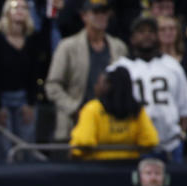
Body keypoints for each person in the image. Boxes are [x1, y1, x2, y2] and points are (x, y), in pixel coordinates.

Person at [109, 15, 187, 163]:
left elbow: (185, 108)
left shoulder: (172, 66)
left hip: (169, 145)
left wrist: (181, 135)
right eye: (141, 32)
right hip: (133, 147)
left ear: (157, 36)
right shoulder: (119, 68)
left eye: (151, 31)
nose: (147, 36)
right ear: (132, 38)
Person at [45, 0, 126, 142]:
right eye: (96, 12)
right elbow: (52, 86)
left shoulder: (119, 47)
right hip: (74, 122)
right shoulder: (67, 47)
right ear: (84, 16)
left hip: (111, 123)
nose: (101, 17)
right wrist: (74, 109)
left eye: (105, 13)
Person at [0, 0, 39, 162]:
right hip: (0, 98)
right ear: (7, 11)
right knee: (4, 147)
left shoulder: (32, 40)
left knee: (26, 145)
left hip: (24, 97)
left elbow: (34, 74)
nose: (20, 10)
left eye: (24, 7)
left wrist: (30, 103)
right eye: (16, 7)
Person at [70, 68, 159, 161]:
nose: (96, 86)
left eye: (100, 83)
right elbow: (150, 140)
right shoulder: (136, 109)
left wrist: (73, 154)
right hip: (129, 167)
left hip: (97, 168)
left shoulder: (93, 109)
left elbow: (84, 141)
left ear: (109, 85)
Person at [157, 14, 187, 99]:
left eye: (172, 29)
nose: (168, 32)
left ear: (178, 31)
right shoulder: (151, 58)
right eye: (162, 29)